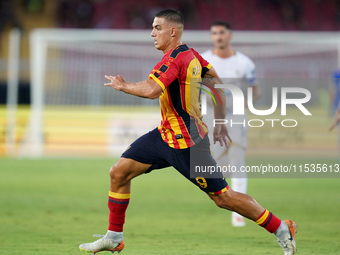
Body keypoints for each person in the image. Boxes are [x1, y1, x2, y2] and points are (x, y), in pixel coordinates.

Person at [79, 9, 297, 255]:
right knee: (119, 173)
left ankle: (281, 228)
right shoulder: (193, 56)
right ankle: (114, 237)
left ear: (173, 31)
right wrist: (221, 122)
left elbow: (152, 90)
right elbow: (216, 84)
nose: (152, 33)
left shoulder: (175, 59)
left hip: (188, 143)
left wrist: (123, 86)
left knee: (223, 198)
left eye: (157, 28)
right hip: (164, 136)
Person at [201, 21, 261, 227]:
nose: (218, 36)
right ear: (211, 36)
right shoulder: (203, 60)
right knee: (215, 160)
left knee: (237, 157)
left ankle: (239, 212)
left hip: (235, 115)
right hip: (210, 114)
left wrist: (245, 103)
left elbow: (256, 90)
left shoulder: (244, 63)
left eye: (222, 32)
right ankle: (225, 199)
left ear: (230, 35)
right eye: (214, 33)